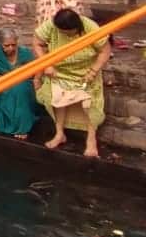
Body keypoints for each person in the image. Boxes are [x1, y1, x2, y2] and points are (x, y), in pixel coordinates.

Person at [34, 8, 111, 157]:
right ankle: (59, 133)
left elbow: (105, 51)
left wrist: (93, 71)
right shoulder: (51, 25)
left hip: (86, 72)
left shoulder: (91, 27)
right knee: (58, 101)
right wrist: (47, 65)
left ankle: (91, 139)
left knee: (89, 106)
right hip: (59, 71)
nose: (67, 35)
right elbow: (37, 43)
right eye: (63, 32)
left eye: (69, 32)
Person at [0, 29, 38, 138]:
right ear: (0, 44)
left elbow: (35, 71)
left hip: (21, 80)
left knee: (18, 89)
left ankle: (22, 128)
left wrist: (34, 79)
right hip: (0, 79)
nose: (10, 48)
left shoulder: (25, 53)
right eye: (6, 45)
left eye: (13, 45)